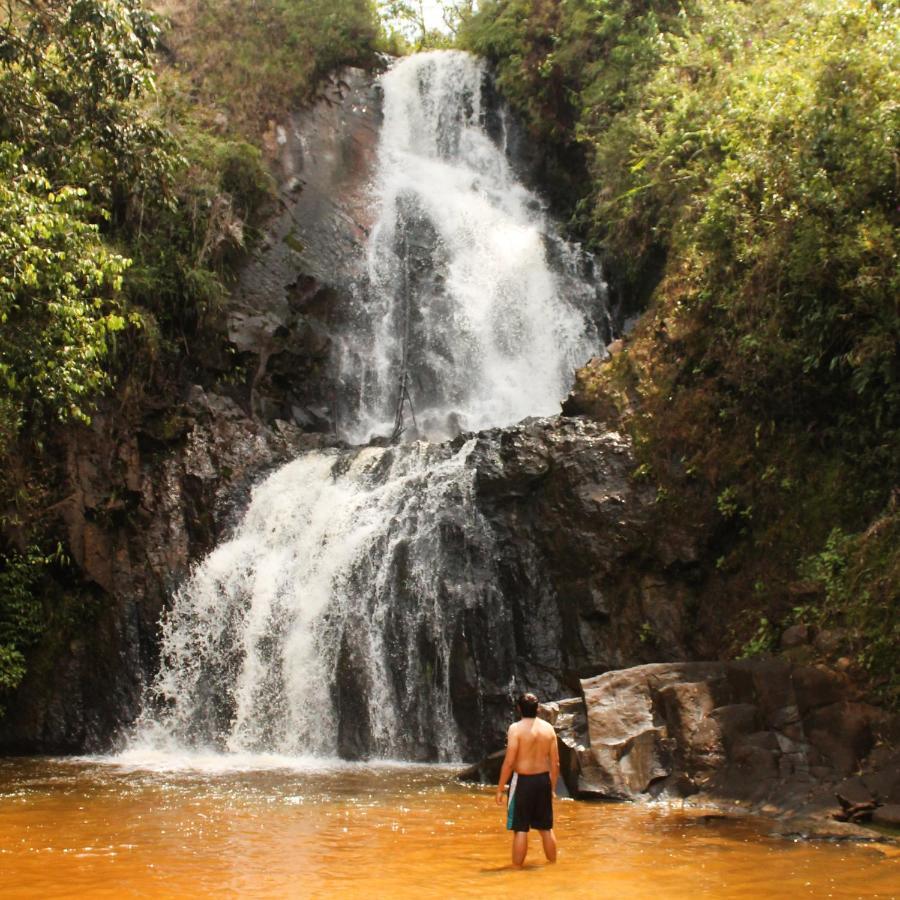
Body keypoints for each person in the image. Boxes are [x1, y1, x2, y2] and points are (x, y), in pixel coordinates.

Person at [494, 692, 559, 867]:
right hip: (543, 780)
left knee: (520, 829)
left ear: (518, 709)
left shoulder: (515, 729)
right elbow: (555, 763)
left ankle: (516, 871)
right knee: (546, 828)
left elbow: (509, 762)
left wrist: (500, 788)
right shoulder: (548, 729)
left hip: (523, 782)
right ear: (538, 709)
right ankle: (553, 866)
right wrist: (552, 788)